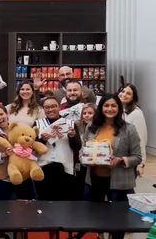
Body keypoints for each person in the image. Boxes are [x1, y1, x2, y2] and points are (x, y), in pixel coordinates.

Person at [82, 94, 141, 239]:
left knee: (118, 220)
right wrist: (84, 158)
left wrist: (121, 159)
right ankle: (99, 235)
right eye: (106, 105)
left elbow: (137, 157)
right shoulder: (91, 127)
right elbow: (84, 150)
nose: (110, 108)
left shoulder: (129, 129)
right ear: (101, 108)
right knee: (95, 216)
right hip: (94, 179)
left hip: (119, 182)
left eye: (113, 105)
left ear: (119, 108)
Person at [0, 105, 37, 201]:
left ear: (6, 114)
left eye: (1, 114)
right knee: (7, 207)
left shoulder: (17, 127)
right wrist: (4, 155)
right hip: (1, 178)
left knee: (30, 203)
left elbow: (28, 140)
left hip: (22, 175)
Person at [34, 96, 82, 201]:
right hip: (43, 168)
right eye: (47, 107)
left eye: (53, 106)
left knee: (63, 202)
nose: (50, 109)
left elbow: (77, 147)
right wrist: (42, 140)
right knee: (44, 201)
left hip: (65, 169)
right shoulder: (37, 124)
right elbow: (32, 148)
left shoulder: (70, 124)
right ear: (43, 109)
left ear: (59, 107)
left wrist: (72, 136)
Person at [118, 83, 147, 177]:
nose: (124, 95)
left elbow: (141, 138)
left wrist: (141, 164)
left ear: (132, 98)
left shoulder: (136, 113)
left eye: (128, 93)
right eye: (123, 91)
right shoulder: (116, 110)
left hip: (130, 158)